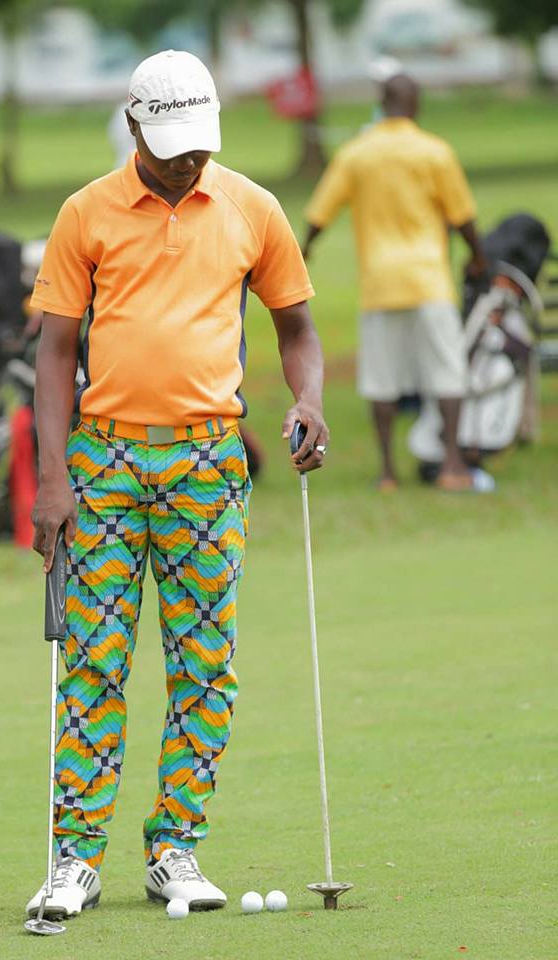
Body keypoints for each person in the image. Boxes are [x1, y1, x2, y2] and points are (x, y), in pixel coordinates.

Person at [25, 49, 328, 921]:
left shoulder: (252, 207)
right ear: (133, 127)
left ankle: (175, 849)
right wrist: (53, 479)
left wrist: (308, 399)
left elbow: (296, 327)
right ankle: (75, 860)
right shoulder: (86, 212)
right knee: (93, 661)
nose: (188, 162)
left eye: (199, 146)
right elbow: (54, 354)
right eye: (170, 149)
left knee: (204, 665)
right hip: (105, 463)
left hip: (208, 462)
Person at [302, 73, 493, 492]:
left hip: (380, 282)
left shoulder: (356, 153)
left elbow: (320, 212)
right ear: (416, 104)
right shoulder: (434, 151)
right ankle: (452, 464)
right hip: (429, 279)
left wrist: (305, 249)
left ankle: (388, 472)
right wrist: (479, 258)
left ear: (382, 101)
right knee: (447, 372)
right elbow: (463, 216)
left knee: (382, 379)